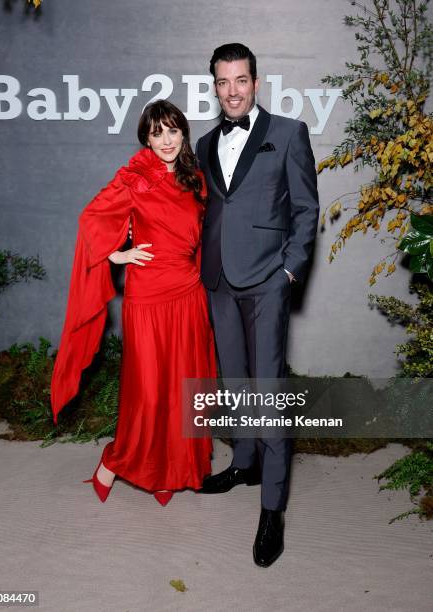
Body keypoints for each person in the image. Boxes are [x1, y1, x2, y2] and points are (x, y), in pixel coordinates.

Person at [50, 100, 216, 507]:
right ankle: (115, 462)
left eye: (172, 130)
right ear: (146, 137)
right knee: (148, 392)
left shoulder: (196, 179)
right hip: (146, 296)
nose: (166, 140)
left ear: (183, 133)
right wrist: (116, 255)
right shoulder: (134, 177)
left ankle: (171, 472)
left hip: (188, 295)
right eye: (156, 132)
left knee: (183, 389)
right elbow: (91, 219)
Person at [196, 43, 319, 566]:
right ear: (215, 86)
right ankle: (244, 461)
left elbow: (307, 208)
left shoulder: (288, 133)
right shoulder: (203, 143)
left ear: (256, 81)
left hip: (268, 280)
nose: (232, 91)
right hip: (219, 280)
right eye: (222, 82)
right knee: (234, 381)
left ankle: (273, 509)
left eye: (240, 80)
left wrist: (288, 272)